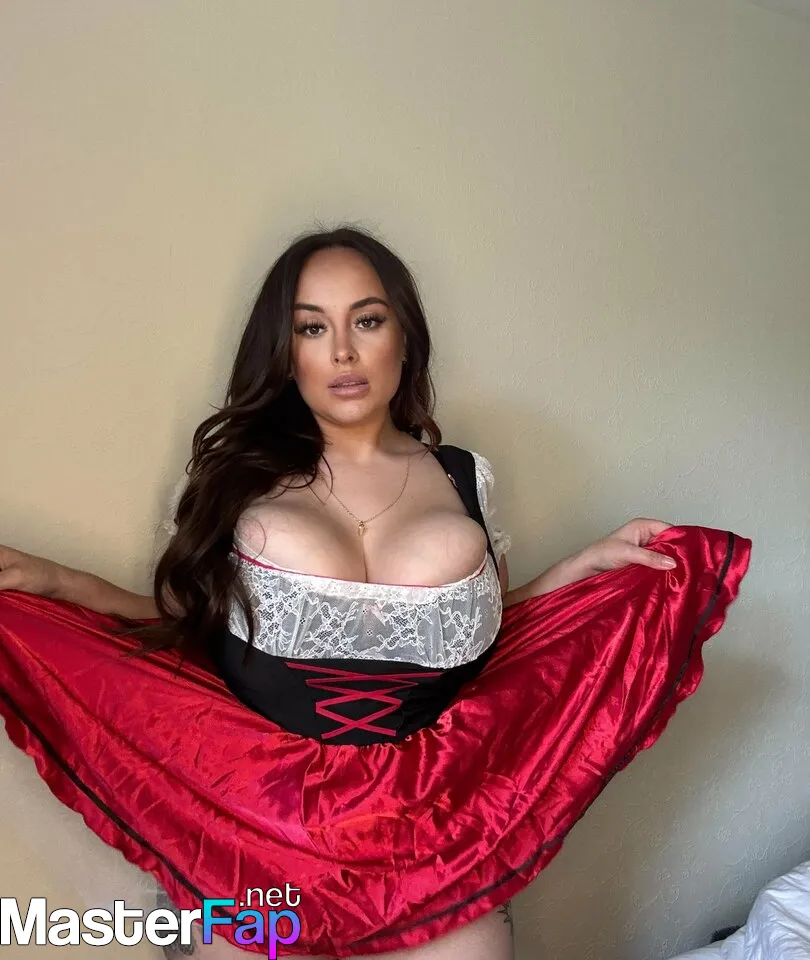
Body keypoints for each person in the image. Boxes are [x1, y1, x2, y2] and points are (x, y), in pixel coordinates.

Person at [0, 226, 752, 959]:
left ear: (404, 336)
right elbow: (189, 621)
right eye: (311, 327)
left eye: (366, 320)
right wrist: (60, 582)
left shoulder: (464, 476)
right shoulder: (234, 475)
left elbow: (477, 628)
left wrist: (579, 569)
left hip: (433, 835)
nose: (342, 352)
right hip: (259, 830)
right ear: (284, 351)